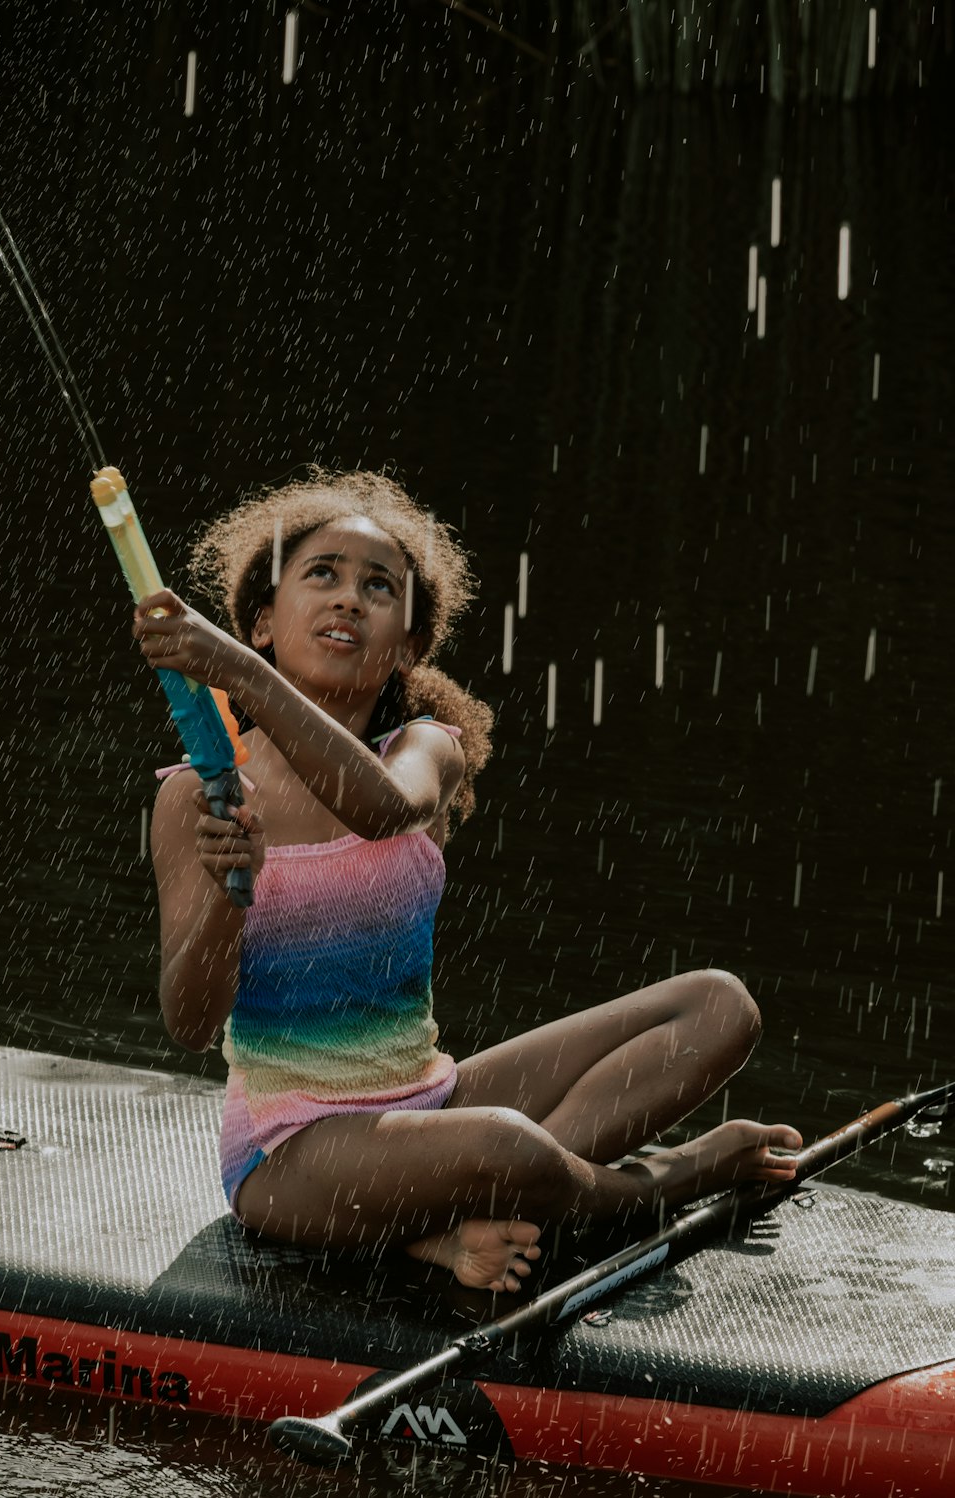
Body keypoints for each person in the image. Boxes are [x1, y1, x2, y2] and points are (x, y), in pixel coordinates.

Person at [133, 467, 801, 1295]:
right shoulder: (197, 794)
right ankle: (654, 1186)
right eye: (322, 575)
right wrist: (229, 896)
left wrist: (241, 676)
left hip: (430, 1101)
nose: (348, 598)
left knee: (720, 1006)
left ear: (409, 643)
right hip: (293, 1150)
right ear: (263, 620)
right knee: (508, 1146)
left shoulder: (427, 750)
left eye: (379, 586)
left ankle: (463, 1218)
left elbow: (380, 810)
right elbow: (191, 1023)